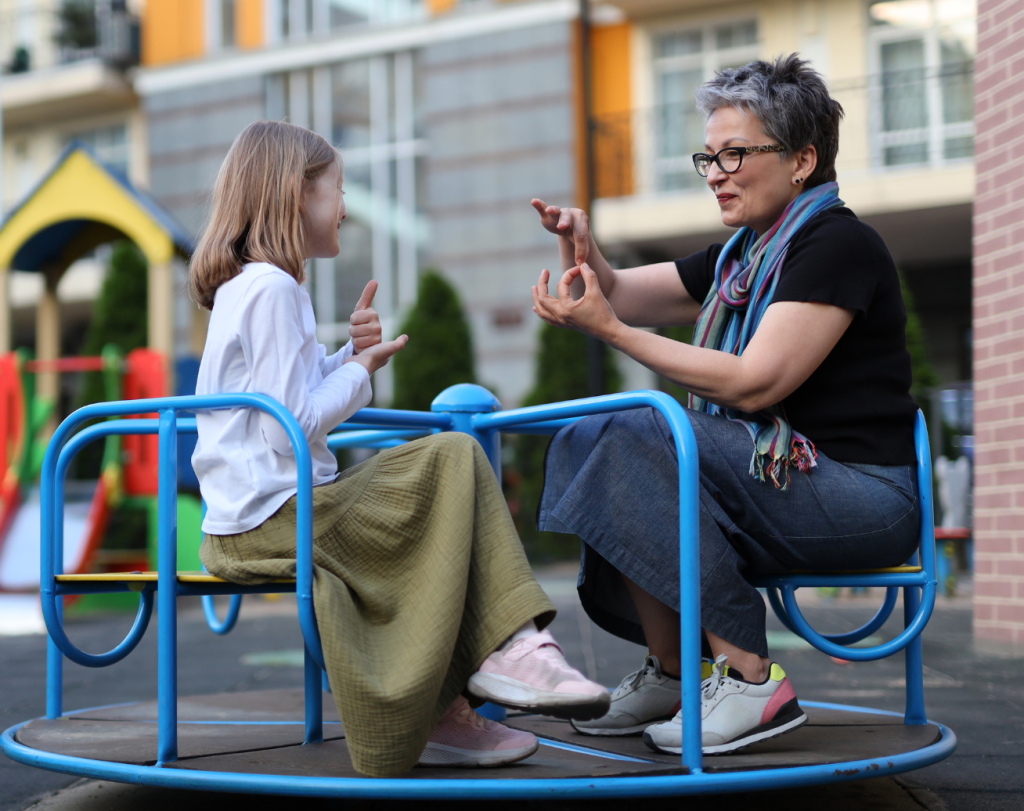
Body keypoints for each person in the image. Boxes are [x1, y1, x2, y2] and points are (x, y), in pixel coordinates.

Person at [189, 120, 609, 778]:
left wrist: (347, 361)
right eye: (338, 189)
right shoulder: (273, 287)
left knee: (439, 480)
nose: (346, 206)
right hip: (272, 518)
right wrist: (357, 377)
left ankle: (448, 709)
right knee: (453, 457)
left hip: (252, 514)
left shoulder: (248, 286)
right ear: (296, 195)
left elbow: (275, 400)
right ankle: (511, 650)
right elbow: (284, 427)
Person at [529, 55, 921, 755]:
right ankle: (677, 670)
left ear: (802, 159)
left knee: (635, 432)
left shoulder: (835, 245)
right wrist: (584, 256)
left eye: (735, 153)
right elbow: (618, 293)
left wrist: (615, 334)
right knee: (598, 434)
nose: (715, 172)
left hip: (861, 494)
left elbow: (753, 383)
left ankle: (747, 678)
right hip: (779, 481)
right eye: (708, 156)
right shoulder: (743, 256)